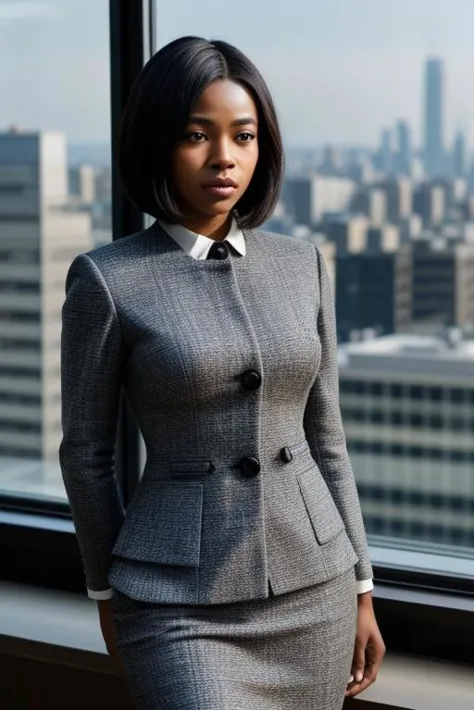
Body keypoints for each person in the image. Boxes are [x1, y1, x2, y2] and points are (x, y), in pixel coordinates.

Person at [59, 35, 385, 710]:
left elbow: (327, 438)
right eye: (196, 135)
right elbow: (86, 455)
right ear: (157, 142)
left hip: (313, 585)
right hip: (175, 600)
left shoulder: (303, 265)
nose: (224, 157)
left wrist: (361, 583)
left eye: (243, 135)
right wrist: (102, 589)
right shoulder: (107, 279)